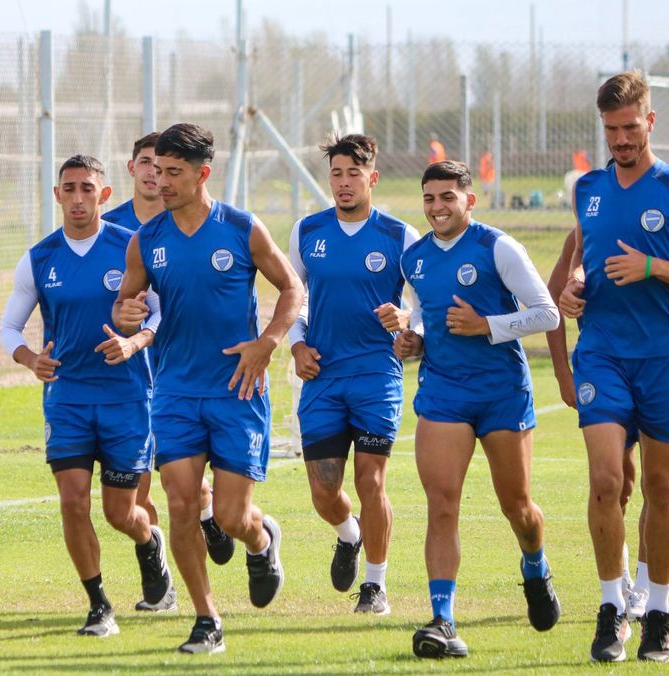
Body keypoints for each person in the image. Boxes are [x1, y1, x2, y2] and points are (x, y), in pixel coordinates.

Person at [112, 123, 303, 654]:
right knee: (178, 504)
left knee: (230, 517)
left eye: (174, 172)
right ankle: (206, 619)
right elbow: (127, 306)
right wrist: (126, 314)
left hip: (237, 390)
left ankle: (262, 540)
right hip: (173, 391)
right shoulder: (146, 240)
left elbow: (292, 287)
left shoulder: (242, 228)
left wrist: (269, 340)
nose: (161, 181)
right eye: (156, 170)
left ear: (203, 173)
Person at [559, 71, 669, 664]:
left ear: (650, 121)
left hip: (663, 356)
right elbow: (584, 262)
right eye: (611, 130)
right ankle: (610, 608)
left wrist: (653, 268)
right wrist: (575, 290)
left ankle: (657, 612)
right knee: (606, 482)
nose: (621, 140)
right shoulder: (587, 188)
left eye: (630, 128)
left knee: (660, 486)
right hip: (601, 350)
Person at [0, 154, 175, 637]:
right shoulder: (39, 258)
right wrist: (29, 359)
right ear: (57, 195)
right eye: (69, 188)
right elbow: (9, 327)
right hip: (68, 398)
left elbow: (160, 315)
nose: (78, 198)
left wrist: (134, 340)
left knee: (121, 513)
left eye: (87, 189)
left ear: (105, 195)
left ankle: (149, 540)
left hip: (126, 398)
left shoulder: (132, 248)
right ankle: (99, 604)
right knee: (73, 502)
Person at [396, 160, 561, 659]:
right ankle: (443, 620)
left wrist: (487, 325)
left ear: (470, 200)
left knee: (518, 508)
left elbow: (547, 312)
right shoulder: (415, 258)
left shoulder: (498, 247)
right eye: (429, 198)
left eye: (448, 197)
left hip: (501, 393)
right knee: (442, 504)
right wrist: (415, 338)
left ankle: (534, 565)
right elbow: (426, 311)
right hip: (444, 391)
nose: (437, 207)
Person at [545, 229, 669, 623]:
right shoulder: (583, 229)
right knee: (616, 481)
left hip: (661, 367)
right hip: (605, 366)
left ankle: (645, 587)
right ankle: (619, 581)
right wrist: (562, 371)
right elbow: (552, 297)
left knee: (658, 484)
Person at [288, 133, 418, 614]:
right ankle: (349, 533)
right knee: (325, 491)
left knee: (372, 482)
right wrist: (297, 345)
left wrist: (408, 321)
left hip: (376, 377)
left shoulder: (399, 237)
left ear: (373, 179)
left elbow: (424, 304)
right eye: (336, 174)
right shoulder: (306, 232)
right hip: (321, 375)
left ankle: (376, 584)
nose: (343, 183)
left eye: (353, 174)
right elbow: (293, 300)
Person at [103, 133, 232, 607]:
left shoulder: (197, 220)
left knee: (183, 480)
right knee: (138, 483)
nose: (154, 174)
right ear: (132, 167)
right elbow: (121, 300)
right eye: (145, 163)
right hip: (128, 375)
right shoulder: (113, 227)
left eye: (164, 167)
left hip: (182, 370)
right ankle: (159, 584)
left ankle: (208, 516)